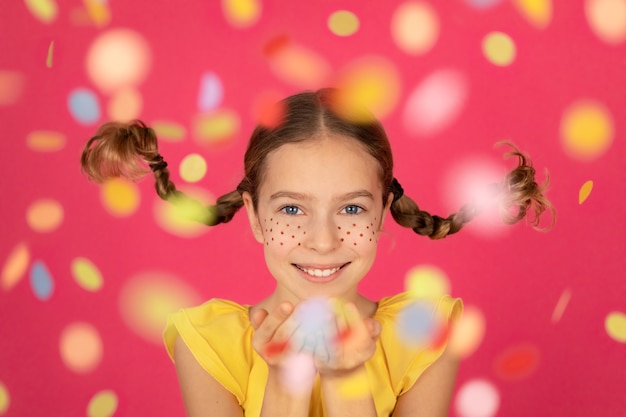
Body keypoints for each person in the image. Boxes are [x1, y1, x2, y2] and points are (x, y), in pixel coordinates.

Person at [80, 88, 554, 417]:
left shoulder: (423, 335)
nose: (323, 240)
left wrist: (345, 376)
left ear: (384, 210)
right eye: (291, 209)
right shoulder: (207, 343)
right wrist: (286, 379)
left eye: (350, 207)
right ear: (254, 217)